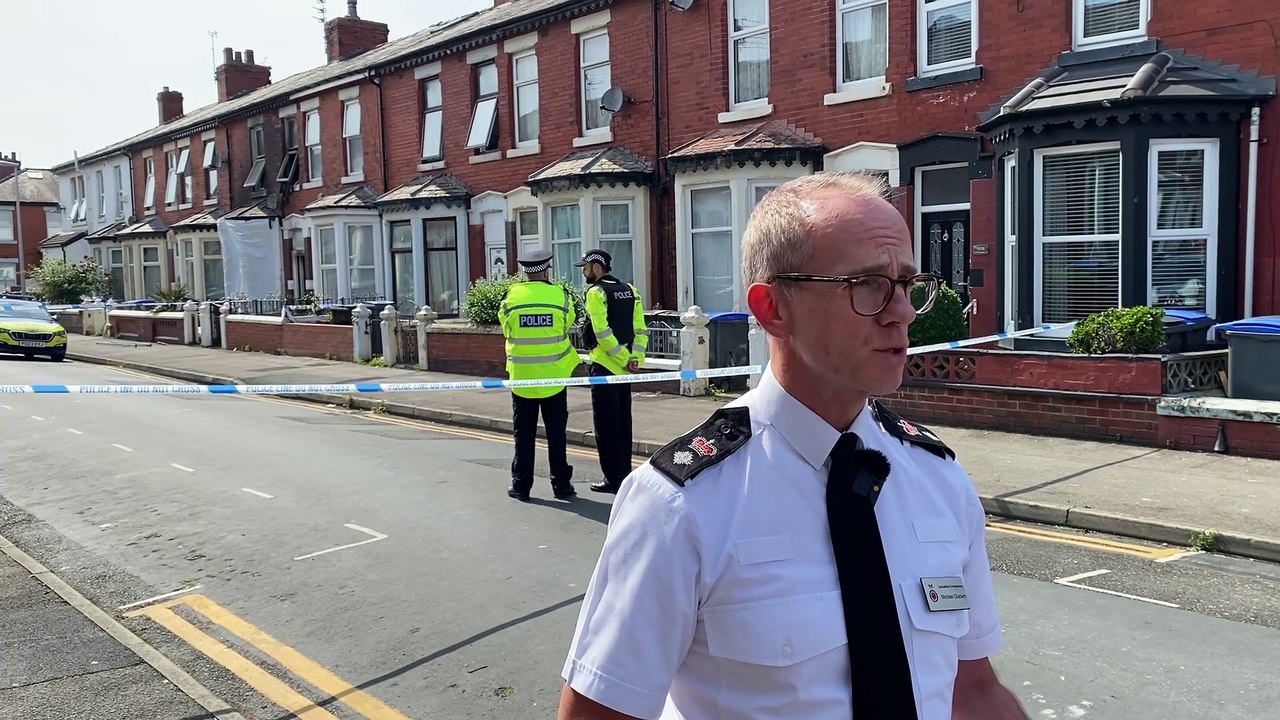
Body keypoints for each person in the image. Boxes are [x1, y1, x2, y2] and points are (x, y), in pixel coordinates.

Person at [556, 173, 1028, 720]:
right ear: (773, 308)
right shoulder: (680, 504)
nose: (901, 312)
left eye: (906, 284)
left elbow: (970, 691)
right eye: (868, 285)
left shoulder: (938, 478)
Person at [497, 249, 580, 502]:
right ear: (546, 270)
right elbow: (569, 324)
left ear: (525, 272)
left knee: (523, 434)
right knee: (556, 434)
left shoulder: (511, 297)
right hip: (554, 377)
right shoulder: (560, 296)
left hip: (522, 378)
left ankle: (521, 486)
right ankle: (562, 486)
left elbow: (506, 328)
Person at [574, 249, 648, 494]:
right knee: (623, 423)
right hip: (626, 370)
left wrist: (623, 359)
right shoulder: (631, 290)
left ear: (597, 267)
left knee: (605, 426)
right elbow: (640, 329)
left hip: (605, 366)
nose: (583, 272)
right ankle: (624, 474)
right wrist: (635, 358)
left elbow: (602, 333)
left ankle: (613, 479)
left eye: (585, 267)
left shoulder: (595, 293)